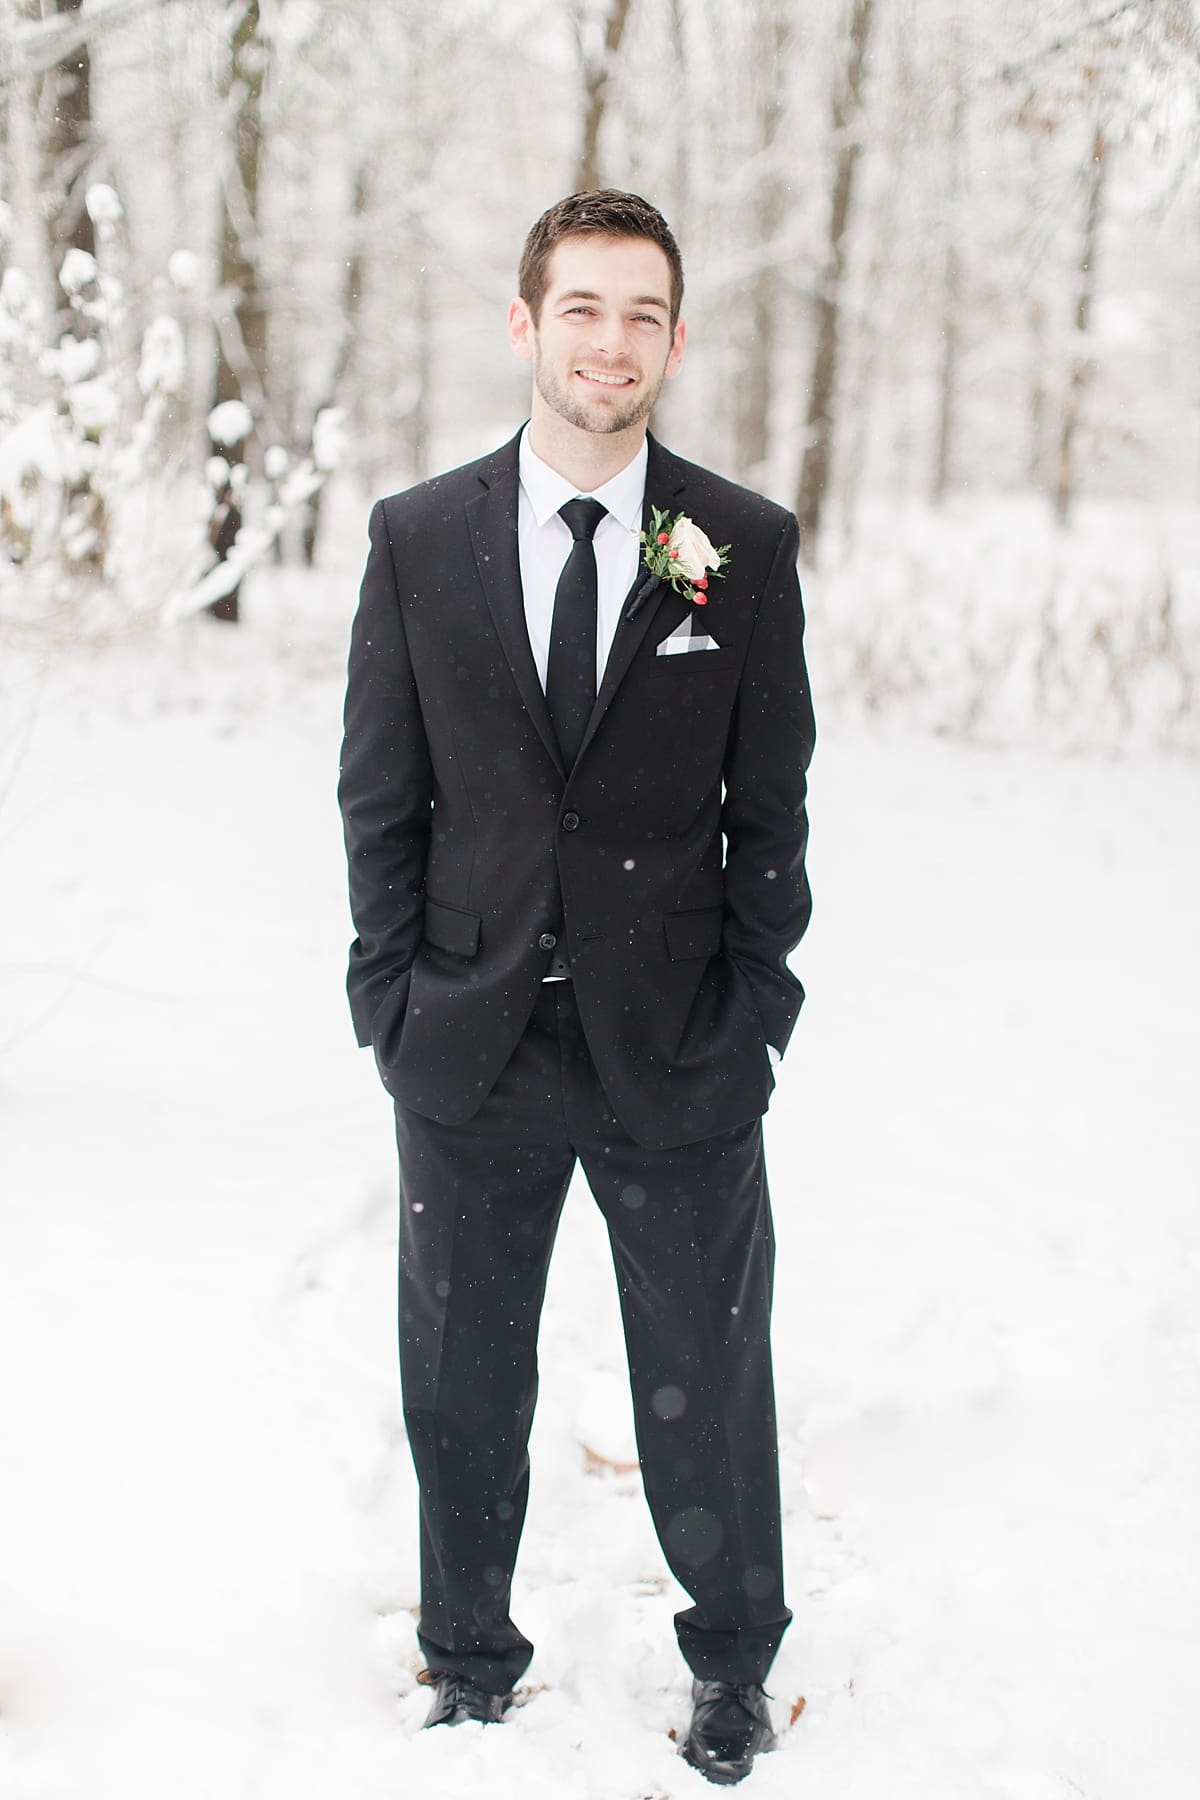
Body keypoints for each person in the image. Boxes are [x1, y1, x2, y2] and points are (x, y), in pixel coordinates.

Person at [338, 189, 815, 1786]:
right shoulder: (419, 539)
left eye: (642, 314)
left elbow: (775, 812)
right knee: (464, 1373)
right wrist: (391, 1008)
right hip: (468, 1040)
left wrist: (755, 1021)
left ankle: (733, 1662)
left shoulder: (735, 548)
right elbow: (379, 800)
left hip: (675, 1044)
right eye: (583, 307)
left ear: (675, 339)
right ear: (526, 324)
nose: (611, 342)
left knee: (707, 1377)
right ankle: (468, 1658)